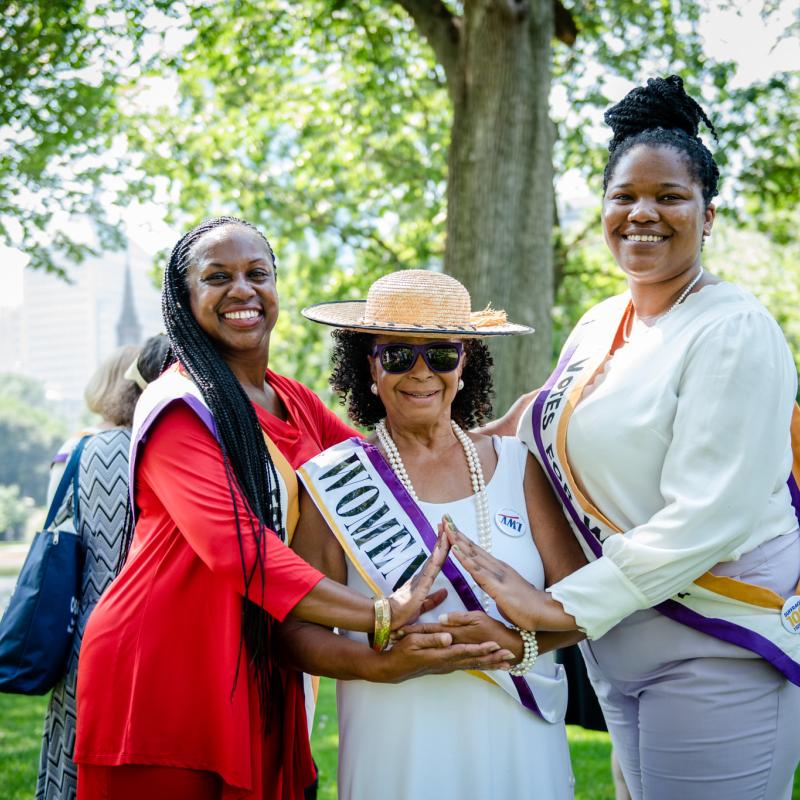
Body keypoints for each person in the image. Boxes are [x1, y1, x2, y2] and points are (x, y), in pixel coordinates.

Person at [446, 75, 800, 800]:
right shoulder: (602, 321)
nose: (644, 213)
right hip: (620, 649)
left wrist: (562, 607)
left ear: (707, 214)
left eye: (670, 196)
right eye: (625, 196)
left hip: (718, 645)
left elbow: (711, 513)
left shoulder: (733, 329)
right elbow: (536, 419)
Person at [73, 218, 509, 800]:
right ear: (184, 299)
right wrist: (378, 613)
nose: (242, 291)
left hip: (258, 661)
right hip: (166, 663)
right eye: (217, 277)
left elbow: (380, 464)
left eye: (258, 274)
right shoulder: (179, 405)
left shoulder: (292, 399)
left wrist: (517, 431)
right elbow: (239, 549)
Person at [285, 270, 587, 800]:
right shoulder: (333, 482)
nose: (421, 372)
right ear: (369, 368)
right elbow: (295, 632)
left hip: (517, 738)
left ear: (465, 363)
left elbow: (584, 604)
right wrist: (382, 667)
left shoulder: (520, 466)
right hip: (396, 744)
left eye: (442, 354)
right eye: (398, 355)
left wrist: (520, 643)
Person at [36, 335, 169, 800]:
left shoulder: (81, 450)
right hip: (152, 622)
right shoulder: (162, 446)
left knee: (73, 744)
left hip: (87, 620)